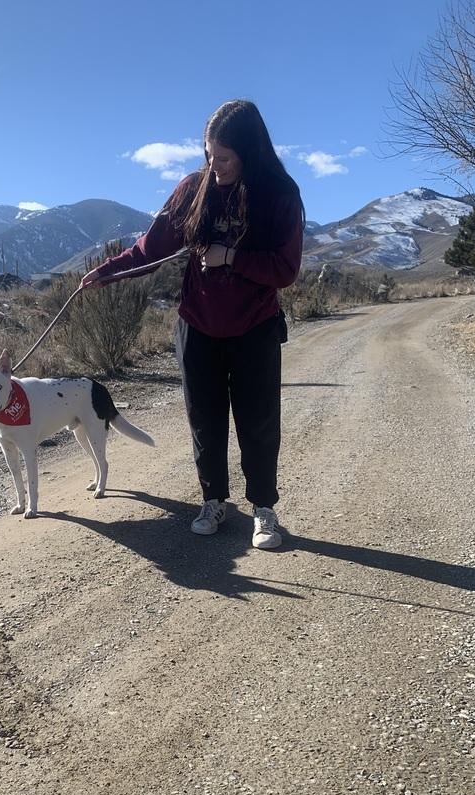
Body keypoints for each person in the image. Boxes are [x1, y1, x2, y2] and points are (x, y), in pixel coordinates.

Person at [80, 100, 304, 550]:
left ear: (250, 152)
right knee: (204, 419)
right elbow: (151, 248)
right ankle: (213, 501)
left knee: (258, 421)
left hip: (255, 327)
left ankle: (263, 509)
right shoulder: (192, 190)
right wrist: (107, 272)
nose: (213, 166)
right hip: (198, 326)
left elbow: (285, 268)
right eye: (208, 155)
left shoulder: (279, 192)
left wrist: (231, 257)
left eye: (224, 158)